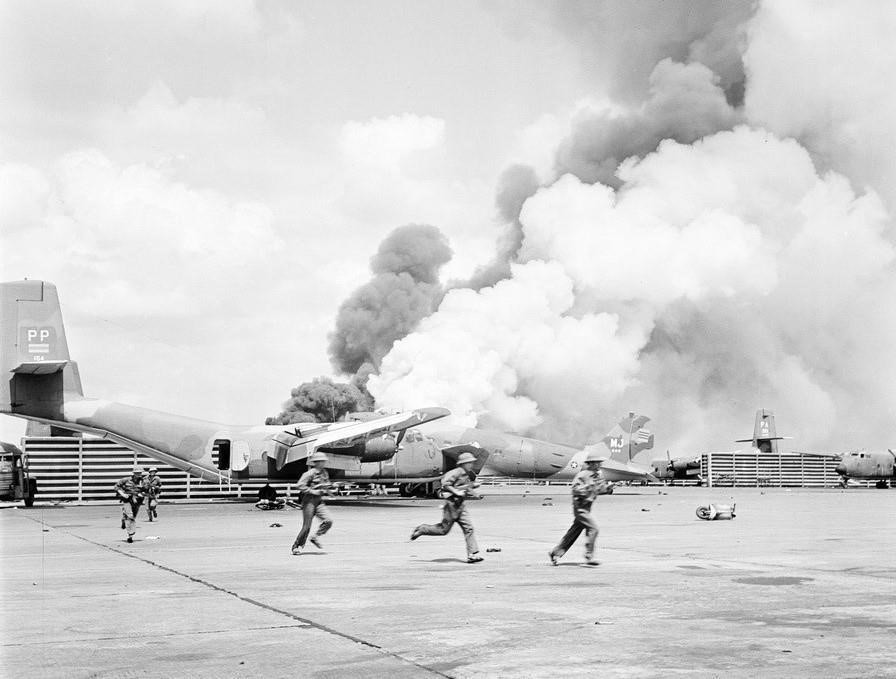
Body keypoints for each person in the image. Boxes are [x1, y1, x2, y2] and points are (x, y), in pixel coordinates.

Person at [410, 451, 484, 563]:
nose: (471, 465)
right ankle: (422, 529)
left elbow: (466, 487)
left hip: (460, 506)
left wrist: (475, 492)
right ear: (463, 463)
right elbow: (445, 484)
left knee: (469, 528)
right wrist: (456, 492)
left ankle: (472, 555)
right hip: (451, 505)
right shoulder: (456, 472)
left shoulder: (466, 474)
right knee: (443, 530)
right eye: (469, 462)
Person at [549, 451, 612, 566]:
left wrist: (608, 489)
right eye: (597, 463)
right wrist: (589, 487)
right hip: (580, 508)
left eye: (600, 463)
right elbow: (575, 489)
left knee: (572, 533)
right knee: (594, 529)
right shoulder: (582, 475)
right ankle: (589, 556)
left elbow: (600, 489)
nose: (600, 465)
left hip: (587, 508)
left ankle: (555, 553)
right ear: (591, 464)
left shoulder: (598, 475)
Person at [291, 452, 335, 555]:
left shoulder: (324, 473)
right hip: (309, 501)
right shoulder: (309, 473)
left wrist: (332, 488)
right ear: (317, 462)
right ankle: (296, 546)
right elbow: (300, 485)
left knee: (329, 520)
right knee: (306, 526)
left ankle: (315, 537)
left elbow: (325, 485)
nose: (324, 463)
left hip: (319, 502)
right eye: (322, 461)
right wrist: (311, 491)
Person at [114, 469, 145, 543]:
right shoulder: (126, 480)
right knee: (130, 517)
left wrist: (142, 494)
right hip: (127, 500)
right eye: (137, 473)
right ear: (134, 473)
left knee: (133, 516)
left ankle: (124, 518)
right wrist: (122, 494)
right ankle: (130, 535)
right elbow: (116, 486)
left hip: (137, 501)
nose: (139, 475)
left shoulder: (143, 481)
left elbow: (146, 490)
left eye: (140, 473)